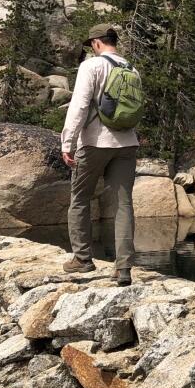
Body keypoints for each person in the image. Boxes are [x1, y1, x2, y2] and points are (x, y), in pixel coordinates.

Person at [60, 24, 140, 285]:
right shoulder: (132, 69)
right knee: (123, 203)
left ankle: (83, 259)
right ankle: (124, 268)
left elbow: (80, 105)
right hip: (127, 143)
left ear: (96, 43)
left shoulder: (91, 66)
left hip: (94, 142)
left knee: (80, 198)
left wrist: (67, 142)